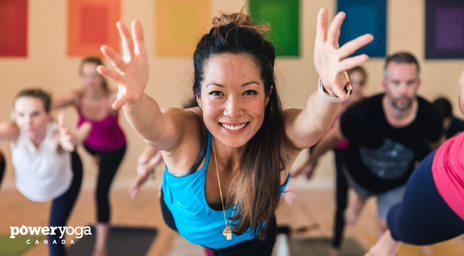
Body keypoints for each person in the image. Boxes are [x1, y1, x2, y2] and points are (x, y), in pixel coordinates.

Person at [97, 7, 373, 255]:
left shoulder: (279, 138)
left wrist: (329, 91)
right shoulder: (186, 132)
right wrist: (133, 100)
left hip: (249, 237)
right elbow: (154, 128)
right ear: (198, 96)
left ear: (267, 95)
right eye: (217, 92)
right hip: (179, 217)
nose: (232, 110)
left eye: (249, 92)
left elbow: (312, 124)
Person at [294, 52, 445, 245]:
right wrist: (310, 162)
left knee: (389, 228)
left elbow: (439, 150)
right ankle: (362, 197)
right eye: (396, 82)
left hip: (395, 182)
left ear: (418, 84)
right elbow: (331, 138)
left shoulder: (430, 116)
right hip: (359, 175)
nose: (403, 91)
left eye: (410, 83)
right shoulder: (362, 112)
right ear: (385, 84)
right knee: (359, 188)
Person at [365, 70, 464, 256]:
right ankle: (389, 237)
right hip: (438, 180)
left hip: (443, 188)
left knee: (399, 226)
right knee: (398, 226)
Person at [0, 89, 90, 256]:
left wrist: (72, 138)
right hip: (31, 183)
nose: (27, 121)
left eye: (35, 114)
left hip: (66, 178)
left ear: (48, 115)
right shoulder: (14, 129)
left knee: (55, 233)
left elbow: (66, 140)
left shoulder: (55, 134)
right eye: (21, 114)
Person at [53, 57, 127, 256]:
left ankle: (101, 247)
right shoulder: (76, 97)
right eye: (86, 75)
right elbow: (49, 105)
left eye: (95, 76)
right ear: (81, 77)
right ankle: (95, 157)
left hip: (114, 149)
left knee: (100, 192)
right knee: (79, 136)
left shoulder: (111, 98)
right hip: (89, 145)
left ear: (102, 77)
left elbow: (133, 103)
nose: (90, 80)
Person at [295, 66, 368, 256]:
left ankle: (335, 246)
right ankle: (312, 165)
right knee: (316, 135)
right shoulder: (338, 101)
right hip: (332, 144)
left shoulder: (365, 106)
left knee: (341, 198)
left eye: (361, 84)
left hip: (348, 152)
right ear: (347, 85)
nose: (358, 88)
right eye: (354, 83)